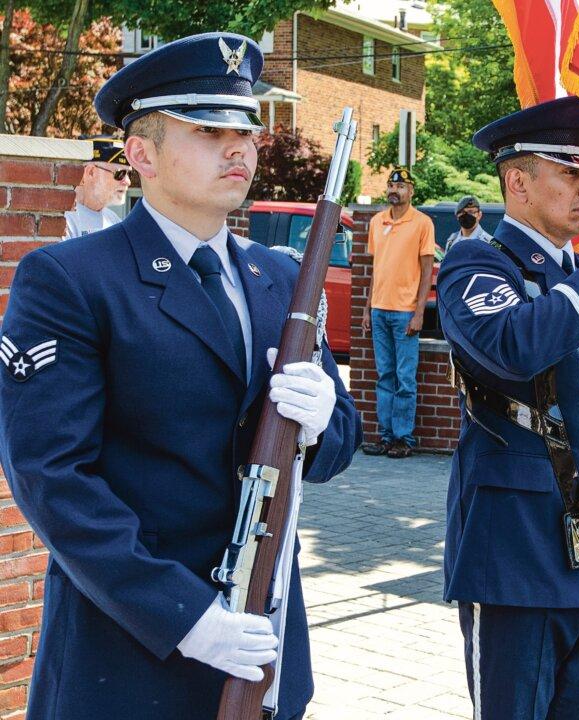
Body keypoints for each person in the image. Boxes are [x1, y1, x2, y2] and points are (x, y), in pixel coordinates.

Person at [0, 33, 360, 720]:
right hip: (128, 654)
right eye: (208, 131)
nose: (238, 149)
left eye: (246, 131)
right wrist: (186, 616)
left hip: (263, 641)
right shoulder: (72, 279)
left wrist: (323, 422)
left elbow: (339, 443)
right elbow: (51, 475)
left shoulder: (281, 277)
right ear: (142, 154)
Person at [437, 96, 579, 719]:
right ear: (517, 181)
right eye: (570, 172)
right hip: (515, 551)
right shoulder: (477, 262)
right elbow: (514, 346)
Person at [360, 167, 435, 459]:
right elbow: (376, 270)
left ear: (411, 191)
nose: (395, 191)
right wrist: (367, 309)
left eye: (401, 186)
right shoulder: (377, 222)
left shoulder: (422, 223)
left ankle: (403, 439)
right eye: (392, 186)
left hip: (405, 313)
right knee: (384, 377)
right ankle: (386, 436)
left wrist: (419, 313)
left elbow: (427, 272)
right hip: (379, 311)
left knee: (404, 379)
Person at [63, 136, 132, 239]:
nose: (127, 182)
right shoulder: (63, 220)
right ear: (91, 172)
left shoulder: (114, 220)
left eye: (129, 174)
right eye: (120, 173)